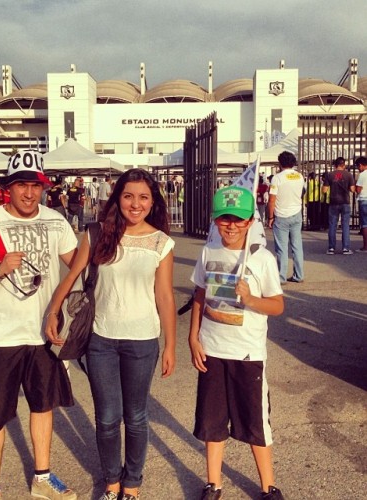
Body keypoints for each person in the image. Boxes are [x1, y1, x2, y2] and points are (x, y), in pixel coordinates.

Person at [46, 168, 176, 500]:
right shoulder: (96, 234)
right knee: (106, 418)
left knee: (135, 416)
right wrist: (53, 310)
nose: (136, 204)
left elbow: (164, 296)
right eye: (128, 196)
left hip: (143, 341)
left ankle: (131, 484)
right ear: (117, 198)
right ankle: (111, 481)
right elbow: (72, 274)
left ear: (153, 202)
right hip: (101, 339)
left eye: (143, 197)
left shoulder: (161, 242)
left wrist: (171, 345)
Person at [0, 150, 78, 500]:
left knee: (43, 406)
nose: (29, 193)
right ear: (7, 188)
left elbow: (78, 267)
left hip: (43, 333)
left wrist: (61, 305)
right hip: (2, 335)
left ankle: (41, 479)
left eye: (35, 185)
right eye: (21, 186)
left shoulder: (56, 221)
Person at [188, 186, 285, 500]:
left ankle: (268, 486)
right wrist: (193, 337)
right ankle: (213, 483)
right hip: (212, 349)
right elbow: (200, 294)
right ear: (215, 220)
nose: (231, 226)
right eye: (224, 219)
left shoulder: (263, 259)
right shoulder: (208, 252)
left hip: (247, 353)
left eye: (239, 220)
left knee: (256, 423)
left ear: (250, 221)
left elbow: (277, 306)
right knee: (212, 422)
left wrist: (251, 298)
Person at [267, 151, 305, 284]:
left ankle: (281, 277)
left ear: (280, 163)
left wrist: (270, 217)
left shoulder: (277, 178)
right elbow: (302, 192)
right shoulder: (300, 176)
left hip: (281, 215)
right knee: (297, 246)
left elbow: (272, 200)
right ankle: (299, 275)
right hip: (296, 213)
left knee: (282, 248)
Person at [322, 157, 355, 255]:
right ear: (343, 165)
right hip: (345, 202)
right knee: (345, 225)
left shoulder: (330, 175)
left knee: (332, 225)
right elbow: (353, 189)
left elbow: (324, 190)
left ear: (335, 165)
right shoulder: (348, 175)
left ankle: (331, 248)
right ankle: (346, 248)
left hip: (333, 202)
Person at [354, 156, 367, 252]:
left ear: (361, 165)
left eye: (358, 166)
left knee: (365, 225)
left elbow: (358, 189)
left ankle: (365, 246)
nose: (358, 168)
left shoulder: (362, 175)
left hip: (364, 200)